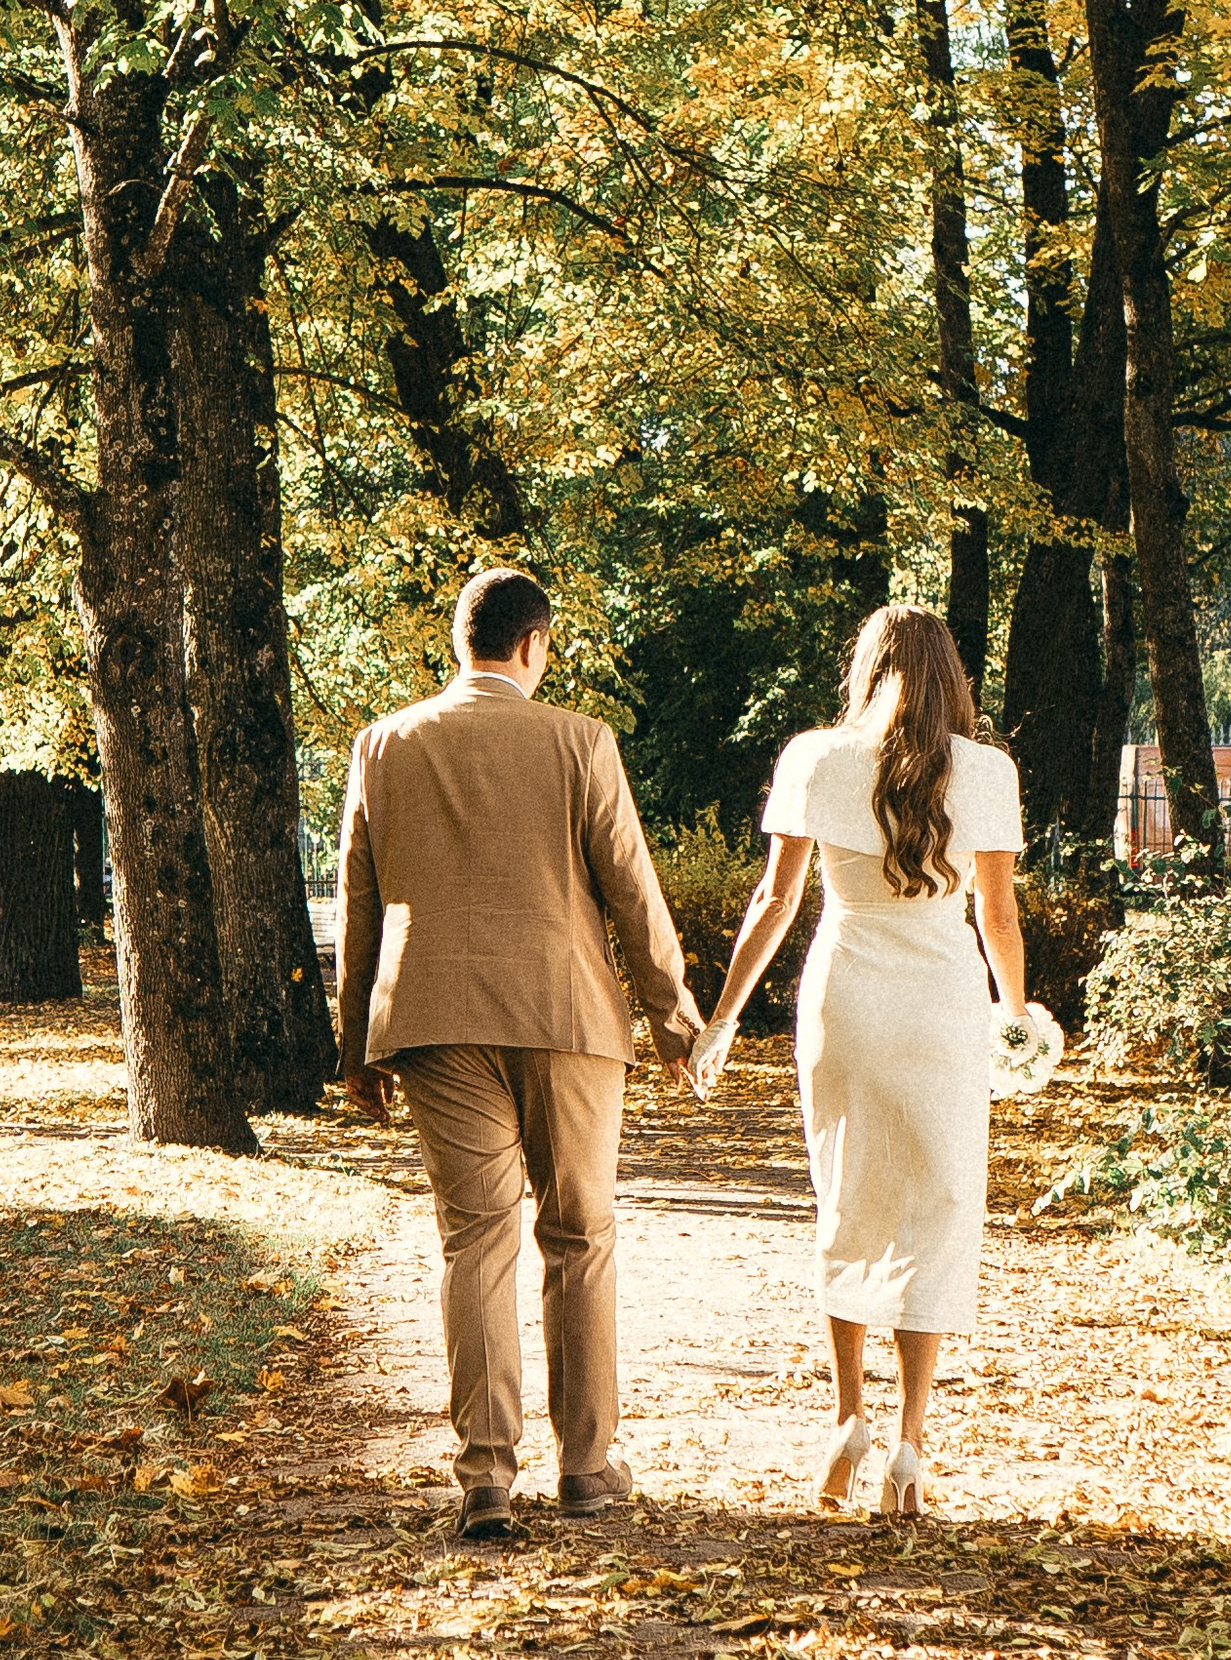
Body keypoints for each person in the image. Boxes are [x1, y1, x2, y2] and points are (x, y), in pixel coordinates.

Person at [336, 567, 702, 1546]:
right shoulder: (580, 740)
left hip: (433, 1021)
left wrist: (355, 1045)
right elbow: (631, 887)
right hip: (564, 1015)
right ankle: (585, 1466)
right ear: (534, 644)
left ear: (461, 641)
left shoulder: (383, 745)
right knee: (579, 1234)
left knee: (475, 1242)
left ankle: (487, 1476)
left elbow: (360, 901)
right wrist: (673, 1019)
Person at [689, 604, 1025, 1521]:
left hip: (845, 998)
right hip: (944, 1003)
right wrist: (1015, 1014)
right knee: (938, 1206)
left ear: (866, 669)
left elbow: (775, 901)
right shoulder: (988, 771)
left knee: (845, 1197)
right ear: (952, 675)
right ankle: (911, 1443)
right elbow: (997, 916)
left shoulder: (814, 757)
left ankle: (846, 1421)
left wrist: (723, 1018)